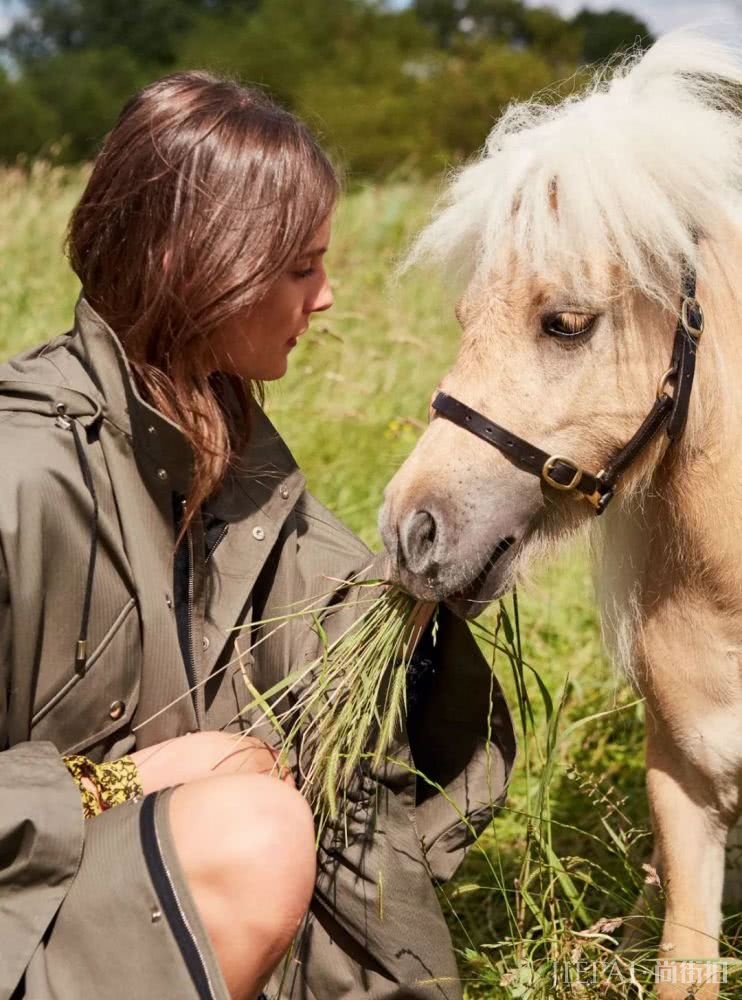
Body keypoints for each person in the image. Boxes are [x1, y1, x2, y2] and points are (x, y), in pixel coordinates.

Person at [0, 72, 516, 1000]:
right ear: (195, 265)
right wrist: (112, 785)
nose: (326, 298)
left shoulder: (229, 458)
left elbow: (368, 767)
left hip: (124, 897)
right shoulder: (19, 473)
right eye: (299, 267)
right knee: (252, 832)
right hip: (25, 912)